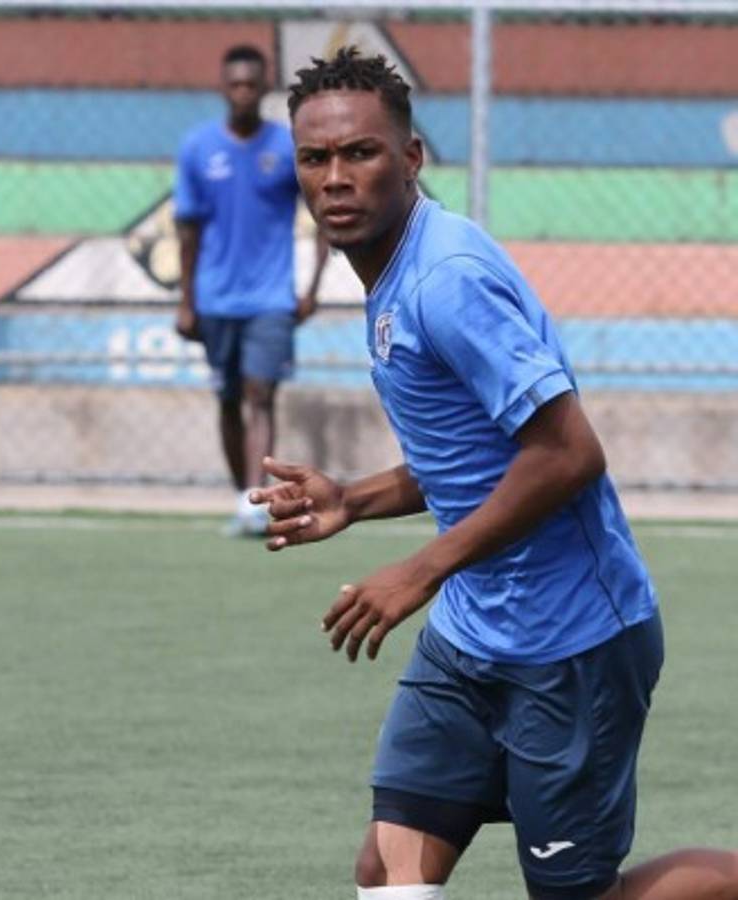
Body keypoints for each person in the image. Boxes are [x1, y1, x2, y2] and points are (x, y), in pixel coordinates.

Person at [250, 47, 738, 900]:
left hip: (572, 642)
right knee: (391, 866)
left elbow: (568, 453)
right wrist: (354, 500)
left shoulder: (446, 281)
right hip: (473, 640)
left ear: (410, 158)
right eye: (315, 158)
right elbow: (474, 457)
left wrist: (421, 569)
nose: (334, 178)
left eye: (360, 154)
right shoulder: (395, 268)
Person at [174, 43, 328, 536]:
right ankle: (241, 493)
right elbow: (188, 230)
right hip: (215, 298)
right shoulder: (198, 149)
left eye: (251, 84)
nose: (243, 92)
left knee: (260, 394)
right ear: (223, 87)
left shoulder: (286, 147)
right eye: (234, 83)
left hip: (269, 299)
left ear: (265, 88)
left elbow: (322, 212)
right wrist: (185, 299)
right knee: (228, 398)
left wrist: (312, 287)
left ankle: (252, 501)